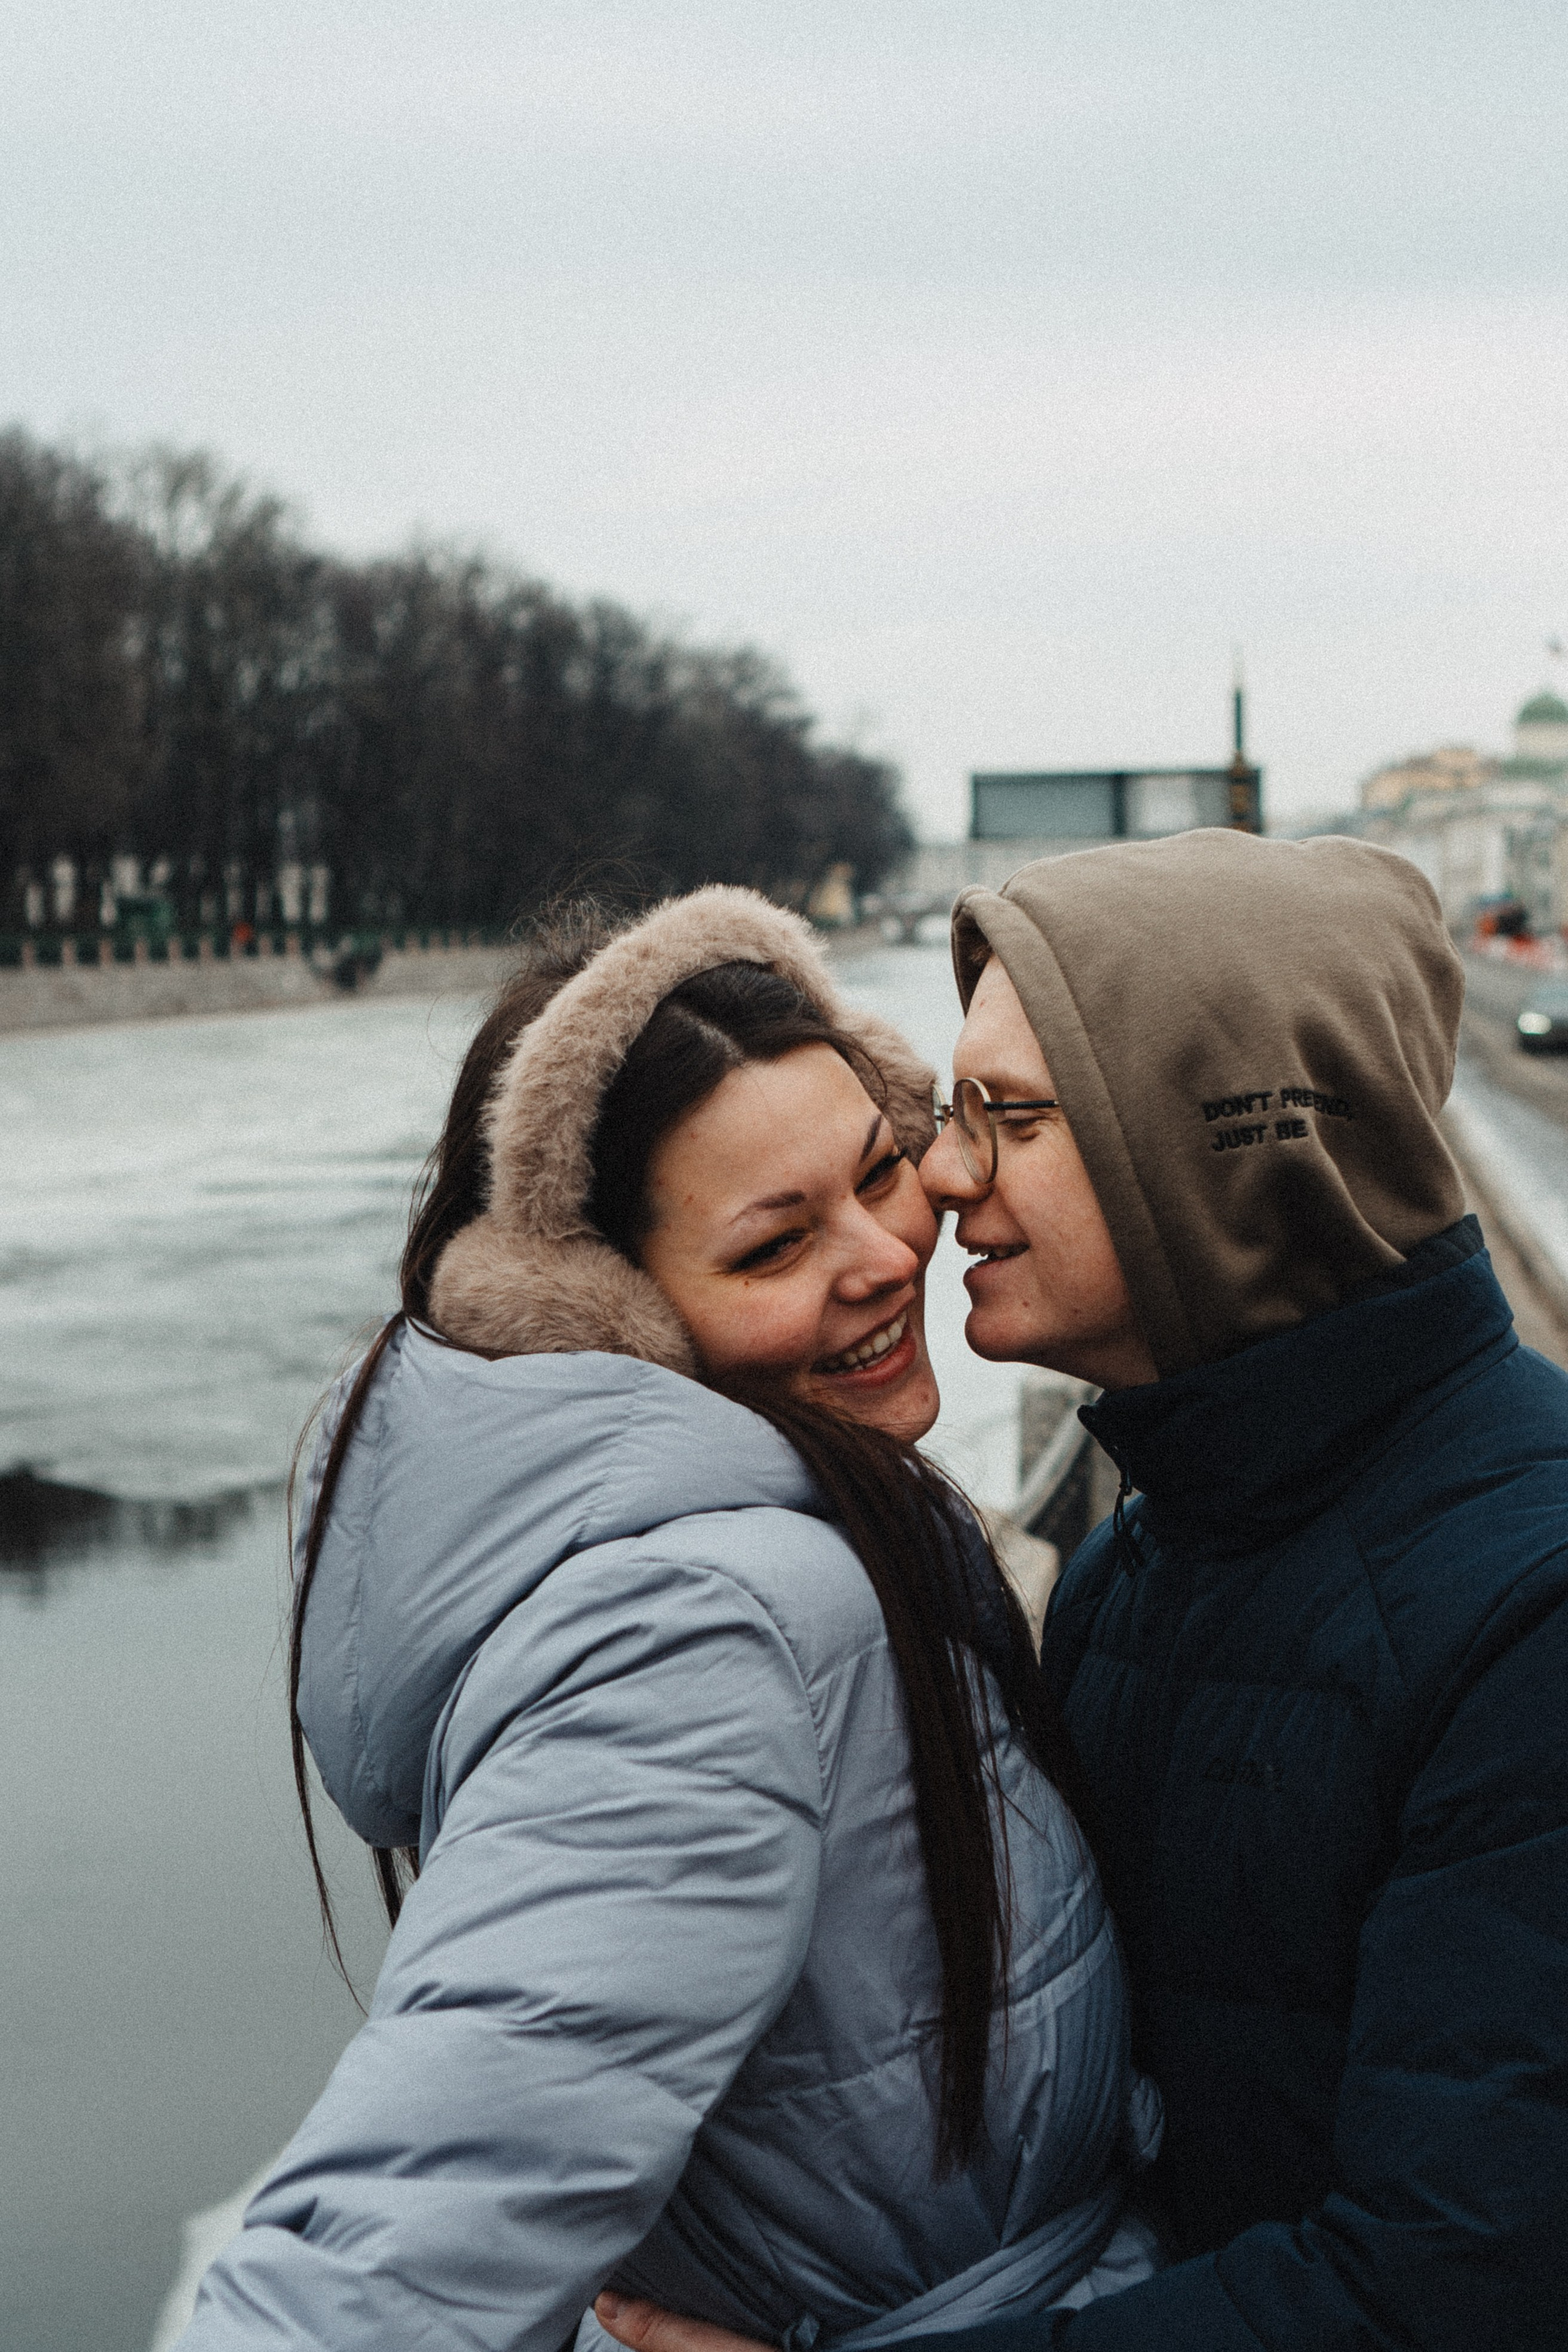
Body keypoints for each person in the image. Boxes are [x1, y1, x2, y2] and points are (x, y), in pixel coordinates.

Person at [598, 830, 1568, 2352]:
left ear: (1225, 1154)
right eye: (951, 1109)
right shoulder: (1139, 1562)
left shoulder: (1533, 1608)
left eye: (1013, 1117)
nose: (939, 1172)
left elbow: (1447, 2292)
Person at [176, 885, 1162, 2352]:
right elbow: (383, 2264)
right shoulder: (706, 1635)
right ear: (604, 1319)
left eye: (881, 1171)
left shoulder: (820, 1535)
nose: (886, 1256)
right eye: (773, 1248)